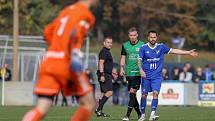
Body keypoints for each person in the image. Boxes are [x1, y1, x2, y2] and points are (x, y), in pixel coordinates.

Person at [22, 0, 98, 121]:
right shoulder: (86, 15)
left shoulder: (65, 11)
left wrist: (59, 45)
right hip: (66, 63)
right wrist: (73, 54)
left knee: (42, 107)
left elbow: (47, 33)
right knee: (89, 103)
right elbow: (74, 35)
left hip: (49, 61)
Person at [138, 30, 198, 121]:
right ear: (148, 38)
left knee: (155, 93)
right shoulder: (143, 48)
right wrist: (140, 70)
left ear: (156, 38)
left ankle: (152, 114)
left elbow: (174, 50)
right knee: (144, 95)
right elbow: (139, 60)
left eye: (154, 37)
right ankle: (142, 115)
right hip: (146, 76)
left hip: (157, 77)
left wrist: (188, 52)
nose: (152, 39)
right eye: (151, 37)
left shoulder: (161, 47)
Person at [120, 27, 144, 121]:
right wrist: (122, 68)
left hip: (138, 73)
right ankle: (140, 115)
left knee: (132, 92)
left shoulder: (142, 45)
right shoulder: (125, 45)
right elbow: (123, 57)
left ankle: (127, 116)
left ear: (137, 35)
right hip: (128, 73)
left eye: (134, 35)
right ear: (129, 36)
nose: (133, 37)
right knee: (132, 96)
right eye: (131, 35)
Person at [95, 36, 113, 117]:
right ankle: (98, 109)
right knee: (109, 92)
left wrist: (112, 73)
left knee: (103, 93)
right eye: (108, 42)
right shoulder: (104, 51)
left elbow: (106, 64)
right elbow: (101, 63)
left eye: (111, 43)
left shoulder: (107, 51)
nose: (110, 44)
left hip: (106, 73)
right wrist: (102, 75)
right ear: (104, 43)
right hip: (104, 74)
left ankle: (99, 111)